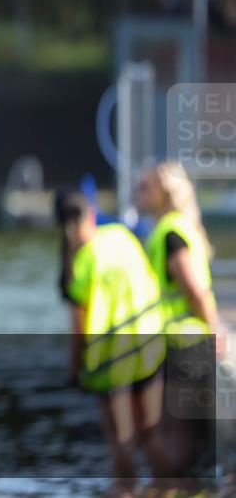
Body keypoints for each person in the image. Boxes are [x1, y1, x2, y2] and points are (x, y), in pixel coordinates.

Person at [54, 187, 169, 498]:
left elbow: (79, 329)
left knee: (122, 439)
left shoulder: (79, 264)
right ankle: (171, 490)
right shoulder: (120, 236)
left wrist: (74, 371)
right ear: (91, 214)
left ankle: (126, 494)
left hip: (111, 362)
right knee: (150, 432)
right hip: (149, 348)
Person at [136, 162, 224, 484]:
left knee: (178, 441)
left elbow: (193, 288)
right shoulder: (173, 228)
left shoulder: (171, 232)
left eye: (146, 187)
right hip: (183, 344)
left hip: (185, 346)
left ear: (164, 193)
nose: (137, 192)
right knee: (180, 438)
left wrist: (216, 330)